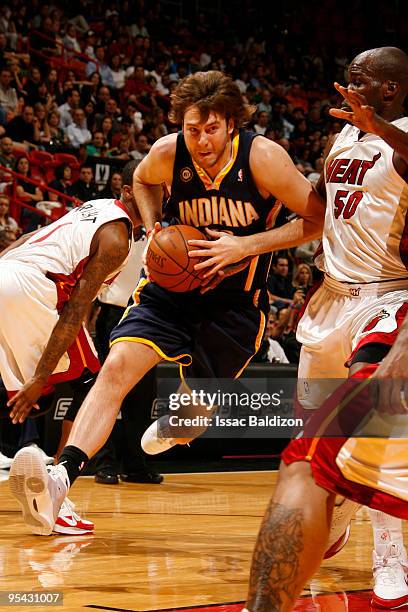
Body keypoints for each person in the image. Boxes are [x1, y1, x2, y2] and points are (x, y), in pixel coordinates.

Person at [9, 70, 324, 536]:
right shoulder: (166, 152)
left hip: (233, 306)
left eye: (211, 129)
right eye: (192, 129)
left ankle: (176, 426)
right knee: (116, 369)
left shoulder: (263, 159)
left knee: (192, 416)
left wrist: (246, 246)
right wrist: (156, 224)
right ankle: (59, 481)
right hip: (169, 295)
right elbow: (141, 179)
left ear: (232, 124)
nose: (200, 140)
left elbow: (317, 219)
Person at [185, 48, 408, 610]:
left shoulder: (399, 131)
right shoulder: (345, 138)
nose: (346, 83)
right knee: (311, 440)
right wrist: (281, 261)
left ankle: (391, 557)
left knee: (377, 423)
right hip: (330, 299)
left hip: (386, 297)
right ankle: (340, 509)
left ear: (390, 90)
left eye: (360, 79)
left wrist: (377, 126)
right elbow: (329, 217)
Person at [5, 160, 141, 535]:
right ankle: (55, 490)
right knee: (92, 386)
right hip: (34, 288)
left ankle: (43, 476)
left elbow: (26, 239)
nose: (161, 194)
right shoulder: (118, 238)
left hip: (9, 271)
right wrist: (40, 376)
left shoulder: (95, 206)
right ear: (128, 191)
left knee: (34, 399)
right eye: (151, 187)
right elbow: (78, 307)